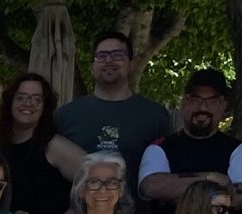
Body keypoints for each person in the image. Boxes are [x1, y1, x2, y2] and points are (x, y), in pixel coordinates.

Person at [136, 70, 242, 214]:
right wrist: (214, 179)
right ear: (184, 102)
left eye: (211, 100)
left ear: (223, 105)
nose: (203, 107)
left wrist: (179, 194)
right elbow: (151, 187)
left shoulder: (239, 149)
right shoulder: (159, 148)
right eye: (195, 99)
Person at [54, 31, 173, 185]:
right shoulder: (65, 115)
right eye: (101, 56)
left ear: (131, 64)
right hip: (78, 201)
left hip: (136, 201)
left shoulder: (156, 116)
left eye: (117, 55)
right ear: (92, 67)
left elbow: (167, 170)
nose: (109, 60)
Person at [0, 71, 86, 214]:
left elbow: (100, 179)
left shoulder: (54, 146)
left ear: (45, 107)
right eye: (21, 97)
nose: (28, 103)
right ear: (10, 103)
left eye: (36, 99)